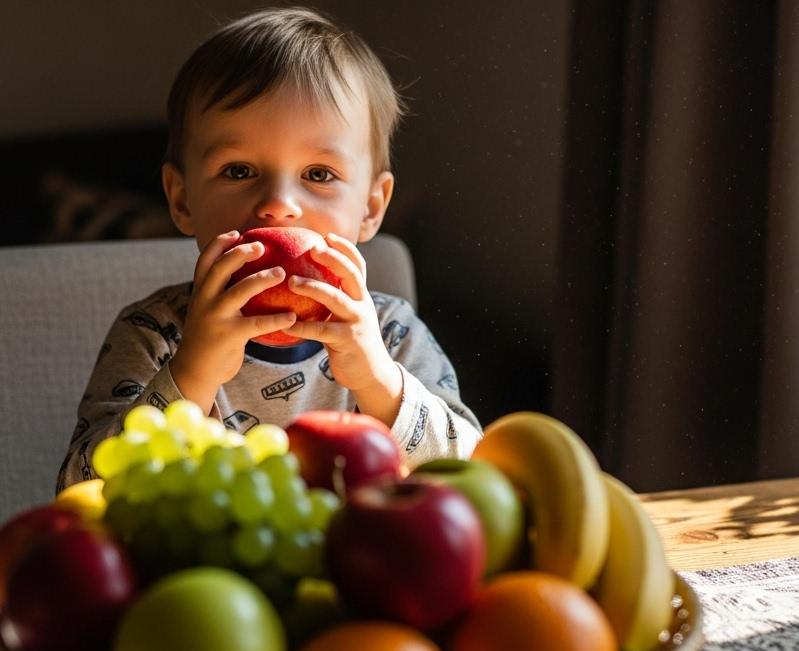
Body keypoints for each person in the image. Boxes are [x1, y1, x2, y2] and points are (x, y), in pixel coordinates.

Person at [57, 7, 481, 490]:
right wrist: (191, 374)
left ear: (370, 206)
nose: (278, 206)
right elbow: (78, 490)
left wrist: (380, 383)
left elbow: (475, 479)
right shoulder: (155, 334)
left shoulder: (391, 334)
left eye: (318, 175)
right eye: (238, 171)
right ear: (181, 199)